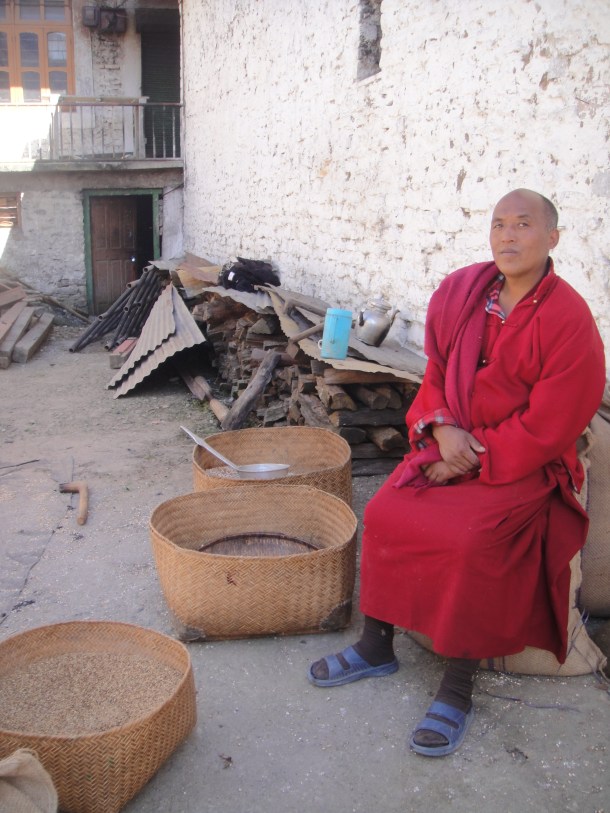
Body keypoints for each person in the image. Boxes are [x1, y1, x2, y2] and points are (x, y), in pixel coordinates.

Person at [308, 189, 607, 757]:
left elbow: (553, 423)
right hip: (450, 440)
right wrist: (442, 431)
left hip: (521, 464)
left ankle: (457, 688)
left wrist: (475, 456)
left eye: (524, 225)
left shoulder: (568, 319)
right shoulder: (464, 292)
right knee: (386, 509)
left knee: (472, 540)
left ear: (553, 239)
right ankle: (376, 646)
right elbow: (437, 373)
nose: (509, 237)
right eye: (499, 225)